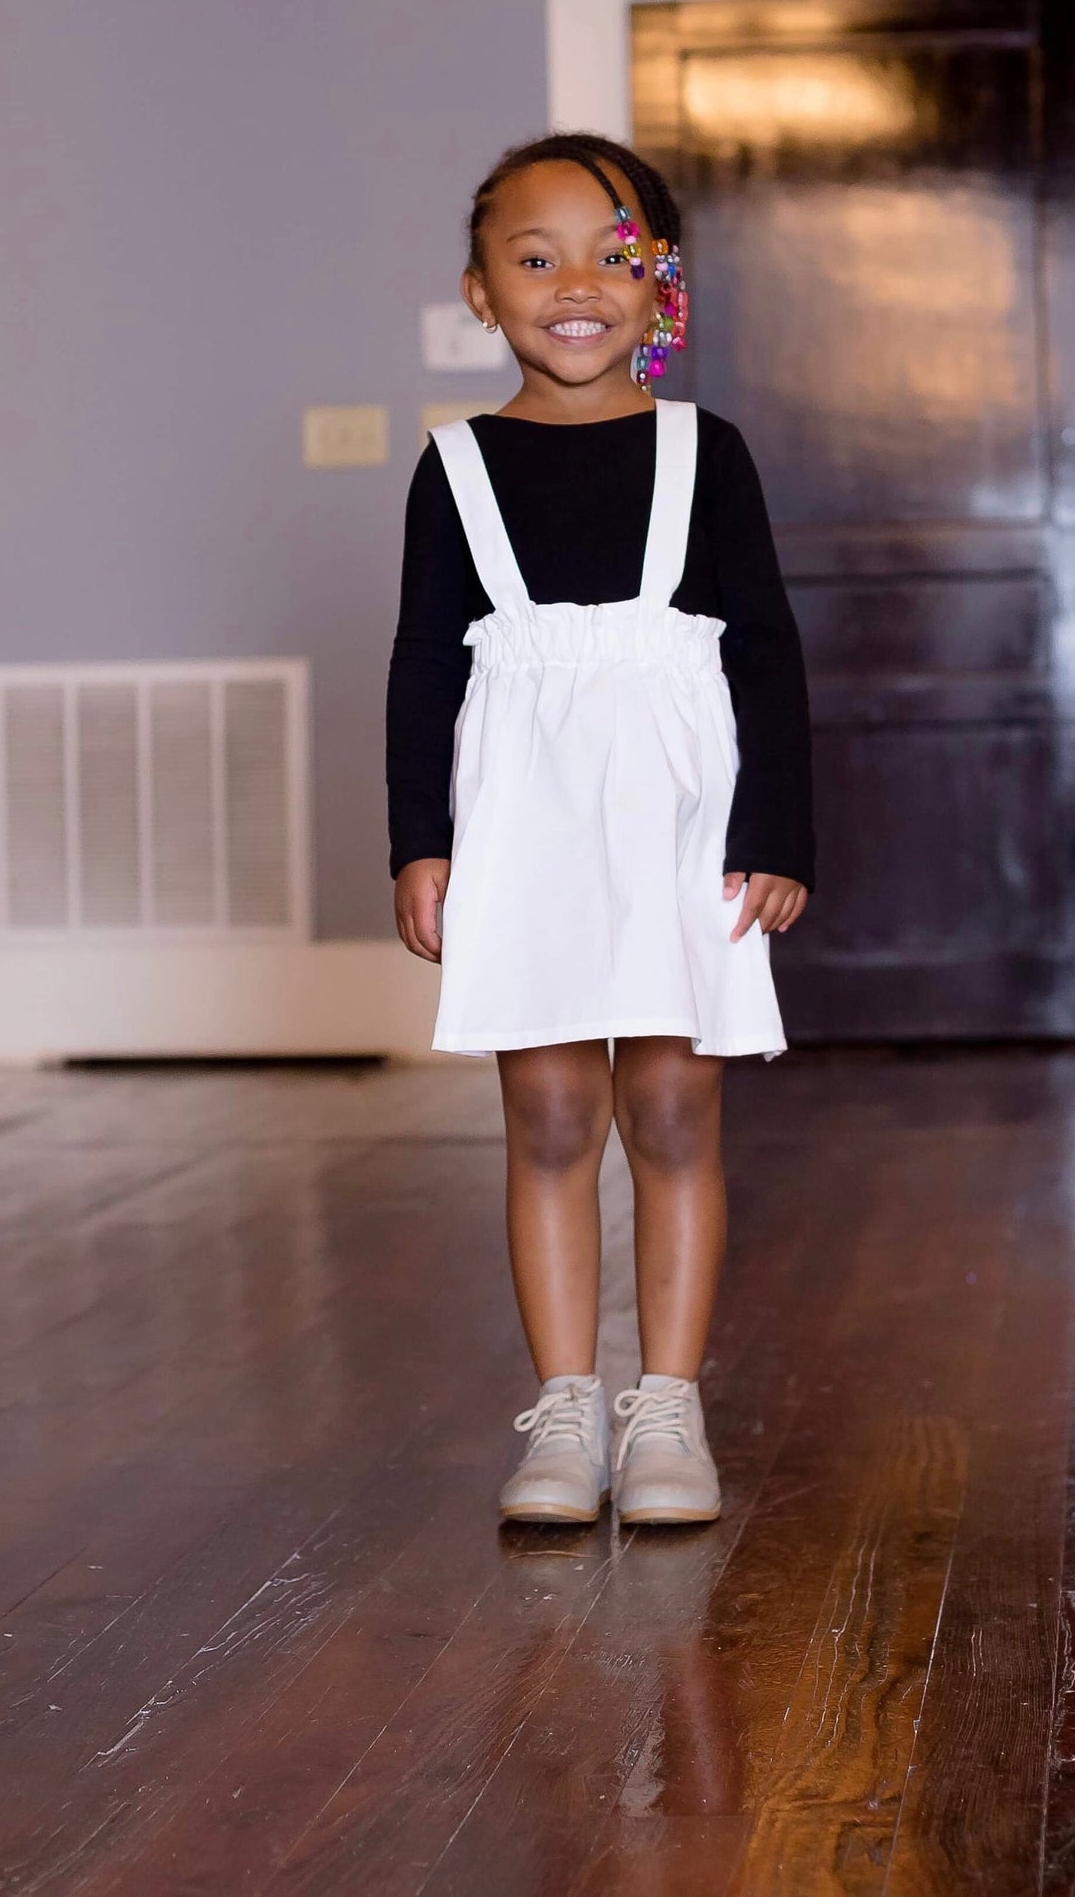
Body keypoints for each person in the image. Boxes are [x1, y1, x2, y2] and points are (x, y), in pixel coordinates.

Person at [386, 133, 813, 1524]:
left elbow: (767, 652)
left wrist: (777, 831)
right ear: (478, 291)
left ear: (662, 285)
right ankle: (565, 1412)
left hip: (684, 827)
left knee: (677, 1106)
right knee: (553, 1109)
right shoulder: (453, 468)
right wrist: (417, 843)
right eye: (533, 256)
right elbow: (419, 664)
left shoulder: (707, 453)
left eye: (614, 255)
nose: (576, 284)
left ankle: (668, 1412)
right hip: (528, 827)